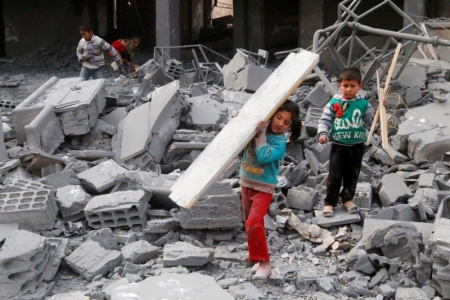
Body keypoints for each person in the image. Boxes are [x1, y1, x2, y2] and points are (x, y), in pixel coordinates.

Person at [239, 100, 302, 280]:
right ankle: (256, 259)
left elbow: (263, 155)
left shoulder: (279, 141)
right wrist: (238, 119)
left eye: (286, 122)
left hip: (263, 188)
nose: (280, 123)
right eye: (279, 117)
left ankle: (264, 262)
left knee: (254, 223)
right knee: (249, 224)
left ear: (290, 126)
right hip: (246, 181)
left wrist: (260, 135)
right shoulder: (258, 128)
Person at [317, 67, 374, 217]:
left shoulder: (364, 104)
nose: (348, 89)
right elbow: (325, 120)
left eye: (353, 86)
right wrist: (323, 133)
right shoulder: (334, 103)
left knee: (352, 175)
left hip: (357, 146)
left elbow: (371, 122)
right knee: (334, 175)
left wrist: (380, 111)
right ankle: (330, 202)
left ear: (359, 87)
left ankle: (347, 198)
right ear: (340, 86)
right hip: (339, 145)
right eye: (345, 86)